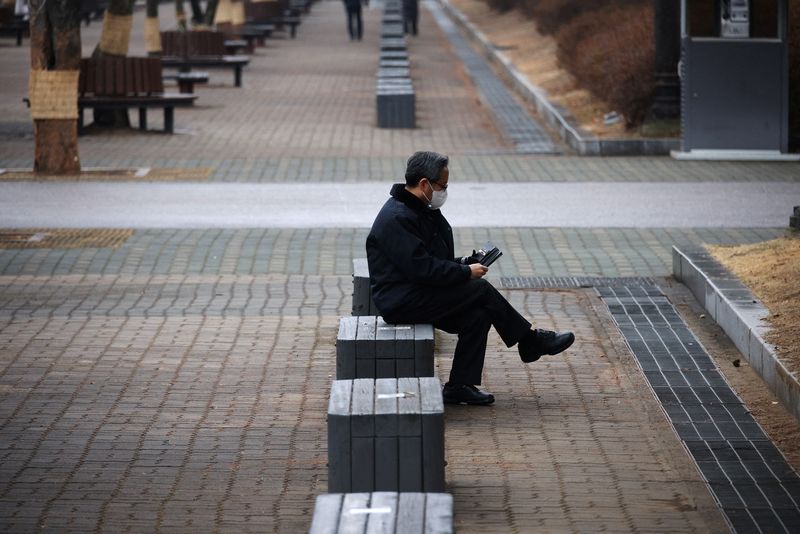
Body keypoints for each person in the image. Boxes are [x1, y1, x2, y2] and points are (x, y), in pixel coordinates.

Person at [366, 151, 575, 405]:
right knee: (480, 290)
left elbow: (432, 260)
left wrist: (465, 262)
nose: (444, 191)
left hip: (418, 292)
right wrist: (466, 273)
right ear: (424, 184)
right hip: (401, 301)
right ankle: (530, 341)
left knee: (479, 313)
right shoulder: (397, 218)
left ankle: (460, 385)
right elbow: (423, 269)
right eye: (442, 186)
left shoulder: (420, 209)